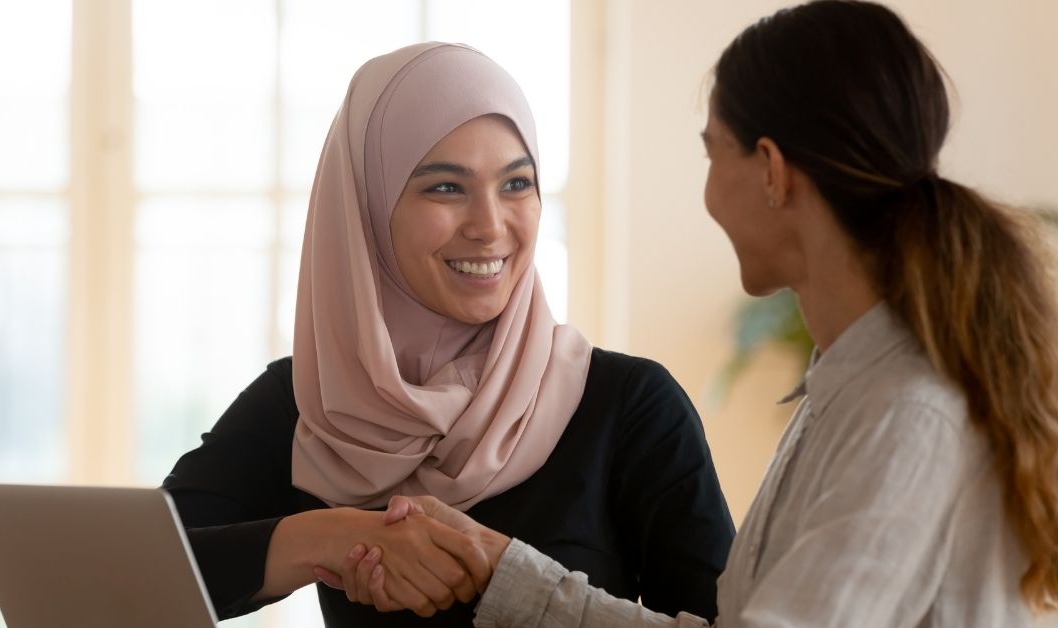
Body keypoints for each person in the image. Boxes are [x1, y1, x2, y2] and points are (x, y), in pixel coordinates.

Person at [326, 2, 1058, 626]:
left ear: (770, 172)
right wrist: (503, 569)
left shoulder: (906, 414)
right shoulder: (847, 389)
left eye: (713, 154)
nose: (707, 194)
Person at [161, 42, 735, 627]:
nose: (490, 227)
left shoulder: (628, 405)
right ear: (367, 209)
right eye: (445, 188)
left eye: (516, 184)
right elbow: (132, 568)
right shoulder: (315, 401)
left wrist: (517, 582)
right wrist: (328, 537)